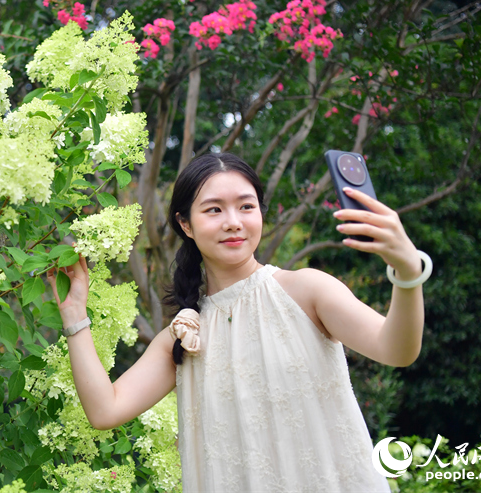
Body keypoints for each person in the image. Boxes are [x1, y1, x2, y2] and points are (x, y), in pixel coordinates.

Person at [48, 152, 430, 492]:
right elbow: (105, 411)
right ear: (185, 224)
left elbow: (397, 350)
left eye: (246, 206)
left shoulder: (308, 290)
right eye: (214, 210)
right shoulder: (183, 335)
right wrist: (74, 313)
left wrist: (408, 272)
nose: (233, 222)